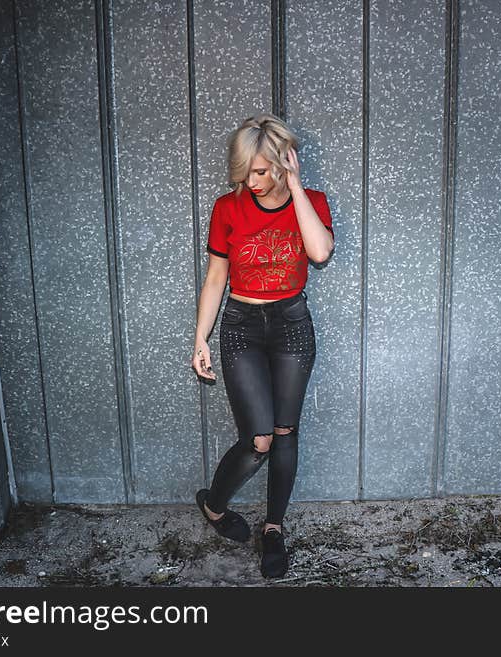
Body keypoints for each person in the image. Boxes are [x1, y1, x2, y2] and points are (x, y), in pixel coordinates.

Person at [191, 113, 334, 579]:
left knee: (286, 432)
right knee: (259, 440)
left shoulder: (310, 202)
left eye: (259, 170)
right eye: (243, 171)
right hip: (242, 325)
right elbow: (216, 278)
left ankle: (273, 528)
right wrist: (201, 338)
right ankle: (213, 505)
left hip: (291, 323)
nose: (248, 181)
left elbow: (320, 253)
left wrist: (295, 188)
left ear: (279, 163)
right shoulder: (227, 208)